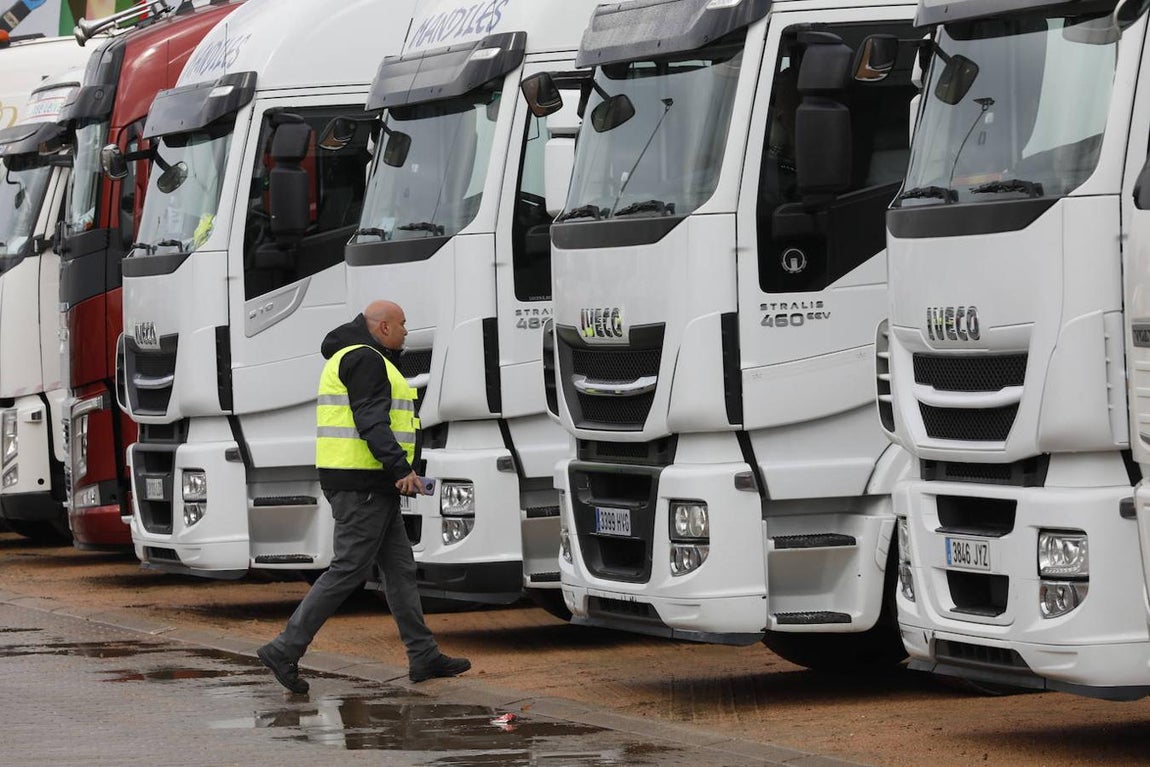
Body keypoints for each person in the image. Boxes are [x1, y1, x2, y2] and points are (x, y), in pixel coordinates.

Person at [257, 300, 471, 693]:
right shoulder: (365, 359)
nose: (407, 331)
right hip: (363, 485)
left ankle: (423, 655)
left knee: (399, 570)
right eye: (402, 323)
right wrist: (400, 469)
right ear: (383, 327)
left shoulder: (358, 357)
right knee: (348, 569)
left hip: (370, 484)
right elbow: (371, 421)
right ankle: (285, 648)